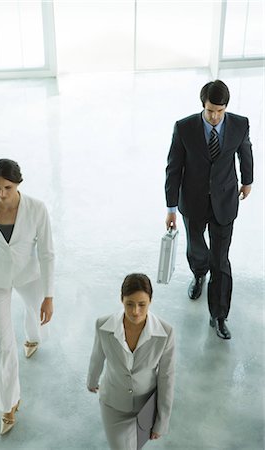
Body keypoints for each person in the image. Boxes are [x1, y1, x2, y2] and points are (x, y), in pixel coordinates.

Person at [165, 80, 253, 340]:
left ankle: (219, 315)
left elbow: (245, 151)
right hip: (192, 200)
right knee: (196, 248)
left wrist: (247, 181)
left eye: (220, 111)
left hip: (225, 200)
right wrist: (170, 208)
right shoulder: (184, 128)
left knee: (221, 260)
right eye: (210, 110)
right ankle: (198, 273)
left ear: (226, 107)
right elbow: (173, 168)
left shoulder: (239, 124)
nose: (215, 117)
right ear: (203, 105)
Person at [0, 159, 55, 435]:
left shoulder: (37, 209)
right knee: (4, 346)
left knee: (36, 314)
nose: (1, 194)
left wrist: (49, 295)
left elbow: (46, 253)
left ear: (18, 184)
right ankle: (9, 404)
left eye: (7, 188)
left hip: (28, 276)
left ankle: (33, 337)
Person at [87, 273, 175, 450]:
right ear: (121, 300)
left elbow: (167, 378)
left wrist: (161, 422)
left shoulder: (166, 333)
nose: (136, 311)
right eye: (130, 304)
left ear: (150, 301)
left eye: (142, 305)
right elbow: (97, 356)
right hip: (113, 404)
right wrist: (92, 380)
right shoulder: (103, 326)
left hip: (145, 408)